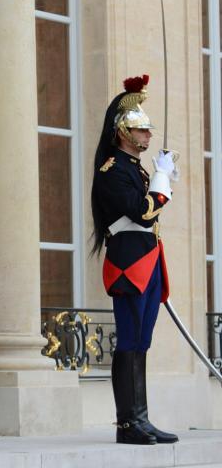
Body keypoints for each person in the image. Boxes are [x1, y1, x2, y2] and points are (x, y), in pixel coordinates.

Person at [90, 74, 178, 445]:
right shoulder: (113, 170)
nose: (147, 136)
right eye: (141, 131)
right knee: (128, 340)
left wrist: (158, 177)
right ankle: (126, 424)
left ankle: (140, 418)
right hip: (129, 264)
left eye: (146, 130)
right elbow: (143, 212)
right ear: (123, 132)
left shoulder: (134, 169)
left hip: (148, 260)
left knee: (142, 341)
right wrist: (162, 180)